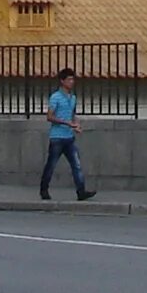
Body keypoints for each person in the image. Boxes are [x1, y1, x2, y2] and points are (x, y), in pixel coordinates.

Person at [39, 67, 96, 202]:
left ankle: (81, 191)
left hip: (69, 137)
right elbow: (49, 117)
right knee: (51, 165)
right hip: (57, 137)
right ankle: (44, 189)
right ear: (62, 81)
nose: (72, 82)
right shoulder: (55, 97)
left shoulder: (73, 98)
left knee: (76, 164)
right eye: (69, 79)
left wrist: (76, 125)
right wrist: (67, 123)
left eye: (73, 79)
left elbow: (72, 114)